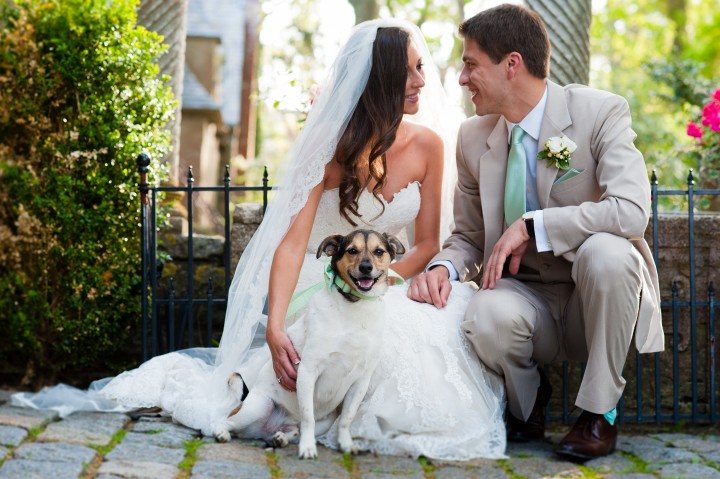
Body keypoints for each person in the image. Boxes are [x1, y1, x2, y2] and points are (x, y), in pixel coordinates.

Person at [12, 19, 506, 461]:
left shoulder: (430, 146)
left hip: (385, 278)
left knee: (433, 328)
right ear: (378, 79)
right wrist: (274, 327)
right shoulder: (330, 150)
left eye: (422, 68)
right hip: (320, 281)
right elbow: (291, 245)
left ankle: (347, 419)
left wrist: (375, 281)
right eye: (409, 71)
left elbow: (425, 244)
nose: (423, 81)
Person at [408, 4, 664, 461]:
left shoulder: (601, 112)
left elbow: (630, 212)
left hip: (597, 304)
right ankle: (529, 402)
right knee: (483, 314)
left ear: (512, 64)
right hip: (527, 302)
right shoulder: (472, 138)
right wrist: (444, 267)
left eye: (470, 65)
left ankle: (599, 413)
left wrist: (535, 225)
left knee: (608, 253)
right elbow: (467, 235)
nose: (462, 79)